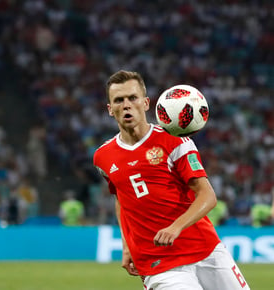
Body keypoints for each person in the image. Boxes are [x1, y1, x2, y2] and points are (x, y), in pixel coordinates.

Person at [93, 70, 250, 290]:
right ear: (110, 110)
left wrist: (175, 228)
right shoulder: (103, 156)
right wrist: (127, 245)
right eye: (119, 100)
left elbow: (207, 196)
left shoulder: (175, 141)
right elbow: (122, 196)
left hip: (205, 249)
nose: (126, 105)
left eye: (132, 98)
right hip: (158, 263)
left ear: (146, 103)